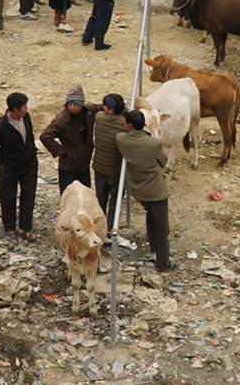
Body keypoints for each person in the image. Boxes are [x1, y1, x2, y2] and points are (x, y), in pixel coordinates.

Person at [116, 110, 175, 272]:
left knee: (150, 217)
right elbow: (163, 162)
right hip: (156, 190)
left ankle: (154, 250)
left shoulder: (121, 140)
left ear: (129, 125)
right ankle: (163, 263)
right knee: (161, 226)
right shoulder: (153, 143)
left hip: (138, 189)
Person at [0, 92, 39, 243]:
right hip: (9, 168)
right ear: (15, 109)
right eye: (23, 107)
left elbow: (29, 136)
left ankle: (25, 227)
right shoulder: (0, 126)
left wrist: (32, 153)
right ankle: (9, 229)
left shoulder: (26, 117)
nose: (26, 109)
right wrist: (2, 165)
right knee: (8, 198)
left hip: (28, 165)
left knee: (28, 196)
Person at [40, 85, 104, 193]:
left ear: (81, 104)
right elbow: (45, 136)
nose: (72, 107)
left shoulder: (88, 111)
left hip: (84, 164)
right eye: (70, 104)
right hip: (68, 167)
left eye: (75, 104)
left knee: (85, 194)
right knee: (68, 195)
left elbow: (102, 107)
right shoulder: (62, 120)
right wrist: (61, 152)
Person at [93, 93, 127, 233]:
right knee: (115, 202)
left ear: (110, 111)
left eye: (105, 106)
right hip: (116, 171)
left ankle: (99, 229)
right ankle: (110, 229)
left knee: (100, 200)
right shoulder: (125, 124)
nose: (103, 107)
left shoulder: (99, 118)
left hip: (100, 168)